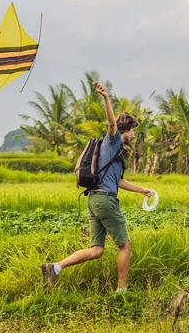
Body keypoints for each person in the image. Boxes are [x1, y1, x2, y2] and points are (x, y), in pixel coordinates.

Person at [41, 81, 154, 293]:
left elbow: (118, 181)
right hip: (105, 200)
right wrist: (106, 98)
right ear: (126, 129)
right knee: (125, 245)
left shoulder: (111, 152)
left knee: (97, 250)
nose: (134, 135)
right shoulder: (113, 141)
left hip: (94, 200)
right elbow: (112, 125)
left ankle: (55, 268)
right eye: (133, 131)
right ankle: (121, 291)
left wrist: (142, 190)